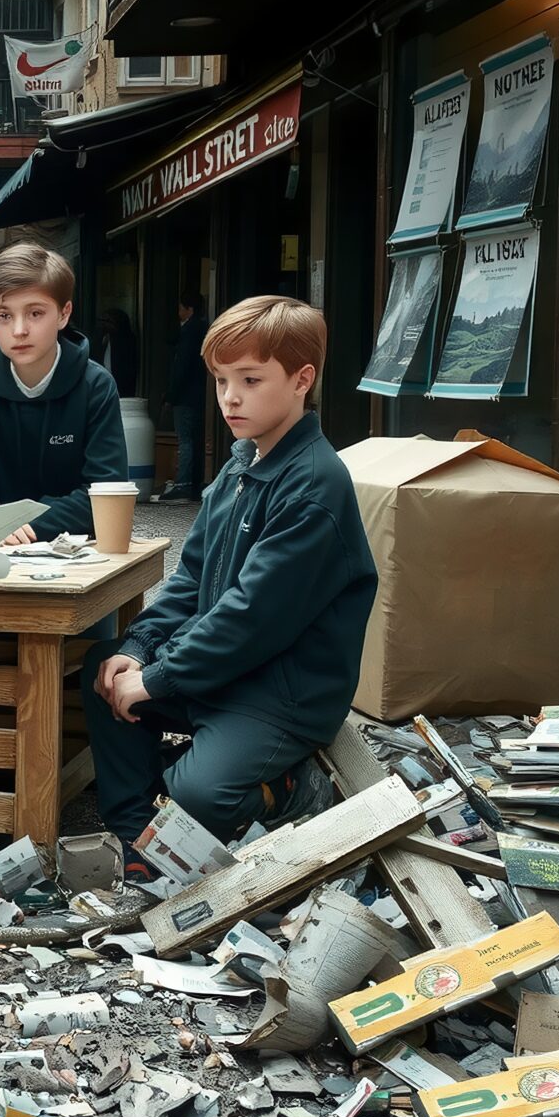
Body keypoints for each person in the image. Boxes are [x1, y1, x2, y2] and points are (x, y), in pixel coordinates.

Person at [83, 295, 378, 868]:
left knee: (197, 792)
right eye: (220, 381)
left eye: (250, 379)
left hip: (279, 693)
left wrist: (160, 678)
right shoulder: (241, 463)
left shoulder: (315, 486)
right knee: (105, 666)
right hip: (223, 671)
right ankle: (139, 835)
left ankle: (290, 791)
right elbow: (191, 578)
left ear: (302, 380)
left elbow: (251, 618)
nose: (230, 397)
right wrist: (140, 651)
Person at [0, 243, 128, 794]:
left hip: (71, 554)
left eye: (35, 313)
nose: (19, 329)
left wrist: (30, 522)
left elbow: (103, 489)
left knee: (95, 635)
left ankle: (81, 756)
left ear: (64, 315)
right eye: (4, 315)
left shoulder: (95, 385)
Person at [160, 296, 205, 502]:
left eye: (181, 307)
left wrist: (171, 395)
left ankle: (183, 484)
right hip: (197, 394)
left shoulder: (189, 332)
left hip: (186, 395)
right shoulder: (201, 329)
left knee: (185, 439)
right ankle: (193, 483)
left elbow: (181, 367)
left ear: (190, 308)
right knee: (194, 438)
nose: (178, 312)